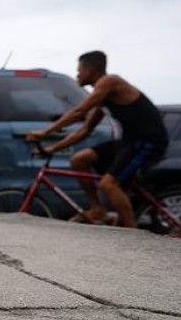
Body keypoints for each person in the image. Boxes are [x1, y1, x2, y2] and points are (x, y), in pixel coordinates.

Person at [26, 50, 168, 228]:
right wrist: (51, 149)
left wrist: (45, 132)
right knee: (79, 159)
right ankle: (97, 209)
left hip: (147, 142)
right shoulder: (104, 97)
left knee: (108, 185)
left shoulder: (109, 82)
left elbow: (80, 111)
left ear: (90, 70)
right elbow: (84, 130)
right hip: (129, 141)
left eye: (79, 70)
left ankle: (133, 234)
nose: (77, 74)